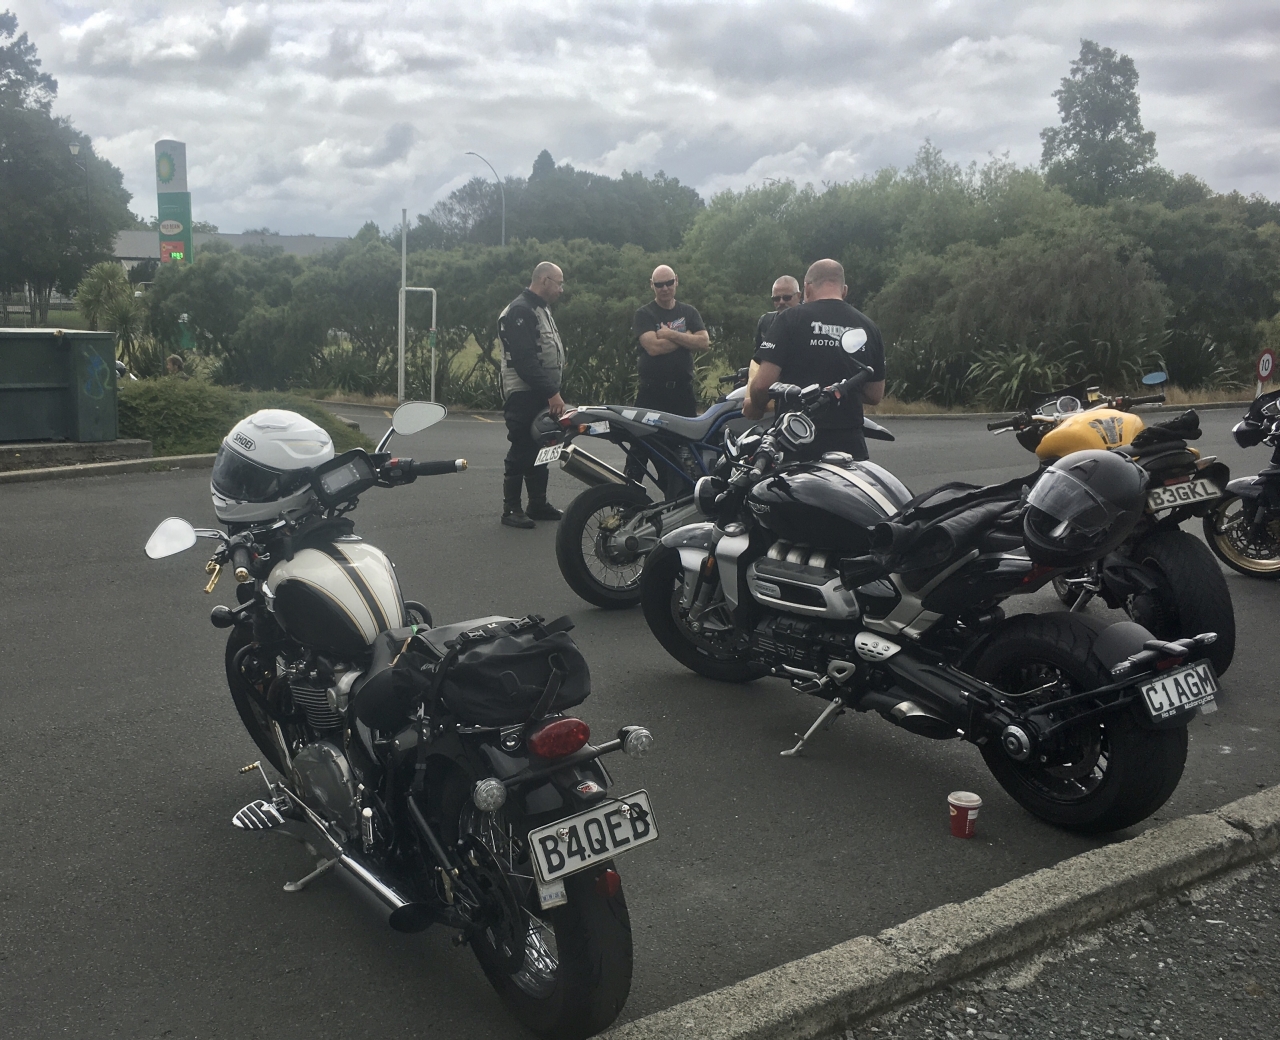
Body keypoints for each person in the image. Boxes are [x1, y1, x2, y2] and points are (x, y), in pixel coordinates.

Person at [744, 258, 886, 460]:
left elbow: (762, 386)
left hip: (796, 439)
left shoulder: (789, 319)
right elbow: (874, 394)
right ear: (844, 290)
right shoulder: (868, 327)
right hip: (849, 444)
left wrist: (756, 407)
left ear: (807, 288)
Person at [497, 262, 567, 529]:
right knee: (522, 446)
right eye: (559, 283)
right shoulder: (520, 310)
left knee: (543, 446)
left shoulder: (539, 308)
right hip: (524, 392)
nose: (561, 289)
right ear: (545, 280)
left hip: (540, 391)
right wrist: (552, 393)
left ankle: (537, 502)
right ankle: (511, 509)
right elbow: (525, 362)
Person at [631, 265, 711, 417]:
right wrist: (687, 336)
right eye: (659, 284)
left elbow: (703, 343)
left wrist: (671, 334)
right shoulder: (643, 314)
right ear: (651, 285)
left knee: (686, 439)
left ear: (676, 281)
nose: (665, 288)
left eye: (669, 282)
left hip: (683, 393)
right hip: (652, 393)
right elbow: (654, 348)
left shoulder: (689, 312)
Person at [752, 275, 801, 351]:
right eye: (776, 299)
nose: (781, 302)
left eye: (786, 298)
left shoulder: (810, 321)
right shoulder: (765, 322)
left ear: (798, 296)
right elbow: (758, 356)